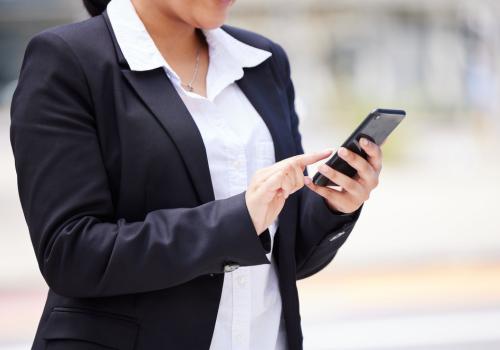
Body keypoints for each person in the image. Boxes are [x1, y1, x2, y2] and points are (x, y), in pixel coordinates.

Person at [9, 0, 382, 349]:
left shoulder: (262, 62)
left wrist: (335, 206)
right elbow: (70, 254)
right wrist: (238, 221)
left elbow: (284, 256)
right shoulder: (67, 61)